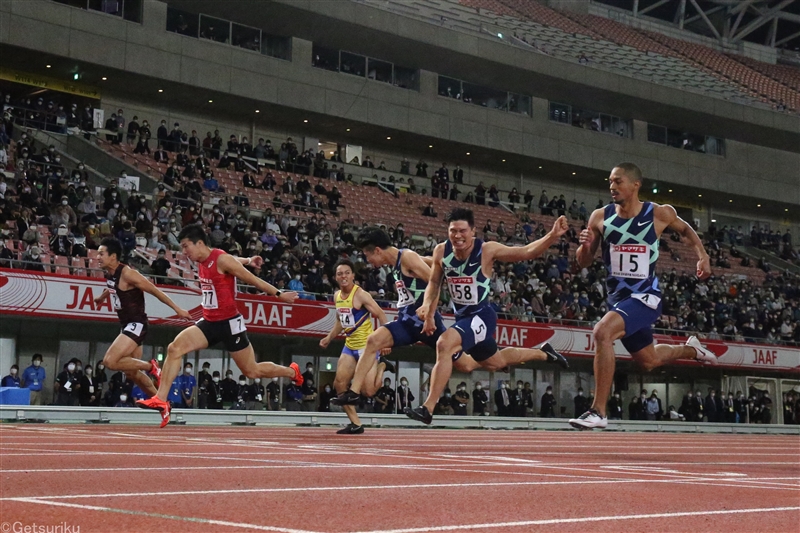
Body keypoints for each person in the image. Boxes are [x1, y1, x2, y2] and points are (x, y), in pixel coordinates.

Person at [336, 227, 567, 412]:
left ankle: (542, 352)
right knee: (373, 340)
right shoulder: (399, 262)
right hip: (407, 323)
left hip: (427, 324)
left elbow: (436, 282)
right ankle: (354, 392)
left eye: (367, 254)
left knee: (476, 364)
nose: (367, 260)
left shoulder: (407, 258)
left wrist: (428, 313)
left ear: (377, 250)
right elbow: (434, 266)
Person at [568, 163, 717, 430]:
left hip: (646, 296)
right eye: (610, 182)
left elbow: (686, 231)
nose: (612, 187)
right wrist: (585, 246)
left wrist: (703, 256)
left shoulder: (658, 213)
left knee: (602, 332)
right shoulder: (599, 217)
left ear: (635, 184)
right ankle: (693, 349)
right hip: (618, 300)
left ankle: (598, 411)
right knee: (649, 361)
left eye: (618, 181)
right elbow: (584, 262)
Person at [405, 209, 570, 425]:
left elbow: (526, 251)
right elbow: (434, 284)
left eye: (463, 231)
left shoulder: (486, 250)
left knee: (444, 344)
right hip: (463, 318)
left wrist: (552, 236)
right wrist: (428, 310)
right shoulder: (440, 252)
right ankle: (544, 354)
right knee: (493, 362)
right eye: (453, 231)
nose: (457, 236)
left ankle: (427, 408)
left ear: (473, 231)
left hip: (481, 316)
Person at [136, 226, 304, 427]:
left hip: (229, 324)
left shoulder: (220, 259)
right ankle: (162, 400)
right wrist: (249, 260)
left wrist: (279, 295)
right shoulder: (203, 259)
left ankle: (291, 372)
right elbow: (233, 259)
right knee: (174, 348)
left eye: (186, 246)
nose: (184, 252)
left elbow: (251, 278)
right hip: (209, 322)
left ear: (199, 243)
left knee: (252, 371)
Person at [93, 238, 191, 405]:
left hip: (136, 324)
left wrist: (177, 309)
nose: (97, 257)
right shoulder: (110, 273)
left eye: (101, 253)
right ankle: (162, 403)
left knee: (110, 361)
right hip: (127, 325)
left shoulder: (129, 274)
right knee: (133, 374)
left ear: (113, 256)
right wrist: (102, 298)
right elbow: (111, 287)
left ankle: (151, 366)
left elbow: (154, 290)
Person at [319, 259, 391, 434]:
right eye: (339, 274)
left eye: (346, 273)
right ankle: (355, 423)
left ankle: (382, 366)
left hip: (367, 348)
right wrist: (329, 337)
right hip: (350, 346)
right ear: (335, 277)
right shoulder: (336, 296)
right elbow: (340, 321)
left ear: (352, 275)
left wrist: (385, 341)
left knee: (368, 391)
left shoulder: (361, 295)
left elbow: (381, 315)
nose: (343, 276)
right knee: (339, 385)